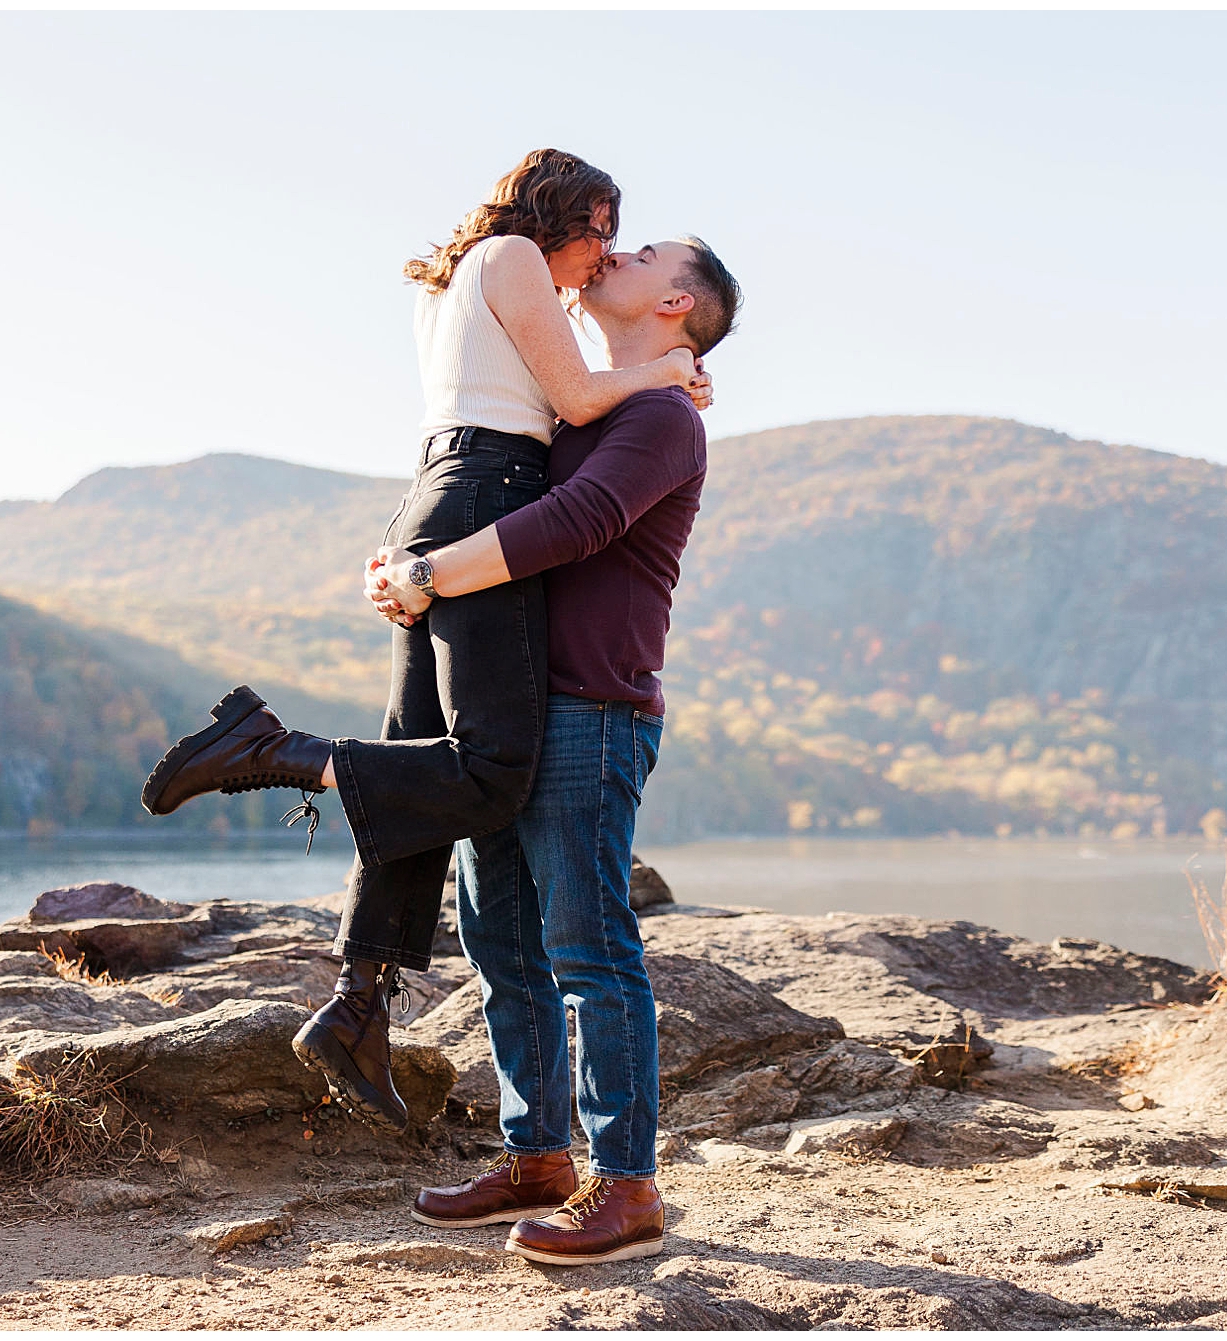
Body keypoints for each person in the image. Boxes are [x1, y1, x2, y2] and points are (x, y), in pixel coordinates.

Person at [138, 149, 709, 1132]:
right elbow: (571, 404)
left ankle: (358, 1003)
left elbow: (514, 409)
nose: (601, 259)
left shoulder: (451, 282)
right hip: (485, 498)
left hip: (439, 495)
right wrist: (665, 367)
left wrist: (414, 559)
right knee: (484, 773)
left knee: (411, 767)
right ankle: (269, 750)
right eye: (602, 235)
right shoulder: (516, 261)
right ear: (559, 219)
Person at [374, 237, 742, 1265]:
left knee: (587, 946)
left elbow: (575, 522)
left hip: (592, 709)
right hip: (508, 707)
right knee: (498, 941)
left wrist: (433, 574)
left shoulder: (662, 418)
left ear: (675, 302)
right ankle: (536, 1156)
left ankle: (625, 1186)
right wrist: (405, 561)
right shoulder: (577, 401)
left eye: (641, 250)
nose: (609, 251)